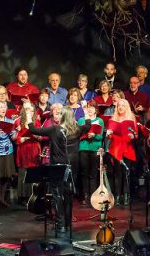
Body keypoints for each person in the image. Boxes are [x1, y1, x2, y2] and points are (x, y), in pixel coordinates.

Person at [27, 106, 91, 236]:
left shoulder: (54, 129)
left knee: (57, 195)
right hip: (72, 166)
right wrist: (85, 110)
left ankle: (60, 225)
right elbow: (88, 125)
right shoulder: (78, 129)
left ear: (62, 116)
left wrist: (28, 116)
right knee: (68, 195)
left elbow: (33, 129)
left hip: (57, 166)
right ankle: (67, 224)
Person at [106, 99, 137, 206]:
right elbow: (110, 134)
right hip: (116, 148)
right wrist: (108, 134)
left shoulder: (131, 119)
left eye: (123, 105)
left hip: (127, 147)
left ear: (126, 107)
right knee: (117, 173)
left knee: (126, 173)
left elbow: (136, 134)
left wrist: (133, 136)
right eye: (119, 105)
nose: (120, 107)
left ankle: (127, 196)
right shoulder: (112, 119)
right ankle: (118, 196)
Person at [15, 102, 42, 204]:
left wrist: (36, 136)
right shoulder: (18, 122)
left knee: (33, 172)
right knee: (23, 173)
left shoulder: (37, 122)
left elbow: (40, 137)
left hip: (34, 148)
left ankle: (32, 196)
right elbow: (14, 136)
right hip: (23, 149)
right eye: (26, 110)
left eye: (31, 110)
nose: (29, 112)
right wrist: (20, 138)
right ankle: (23, 196)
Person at [78, 101, 105, 204]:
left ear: (96, 110)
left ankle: (93, 196)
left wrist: (94, 135)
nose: (90, 109)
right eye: (88, 107)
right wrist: (86, 134)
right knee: (84, 173)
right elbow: (79, 134)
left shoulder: (100, 121)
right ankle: (85, 195)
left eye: (92, 107)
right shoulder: (81, 120)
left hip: (95, 149)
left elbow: (101, 136)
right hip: (83, 148)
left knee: (93, 174)